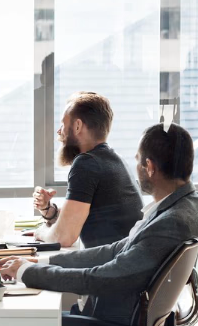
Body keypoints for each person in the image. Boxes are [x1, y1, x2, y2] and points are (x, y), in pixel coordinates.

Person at [0, 123, 198, 326]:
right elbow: (117, 249)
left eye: (139, 162)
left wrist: (27, 272)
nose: (137, 169)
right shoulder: (192, 204)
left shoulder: (171, 222)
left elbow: (102, 279)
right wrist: (42, 260)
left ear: (150, 167)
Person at [32, 92, 143, 249]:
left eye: (63, 124)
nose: (59, 131)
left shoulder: (86, 164)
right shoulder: (112, 159)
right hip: (125, 261)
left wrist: (41, 233)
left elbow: (63, 237)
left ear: (77, 126)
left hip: (112, 267)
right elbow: (78, 215)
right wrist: (48, 210)